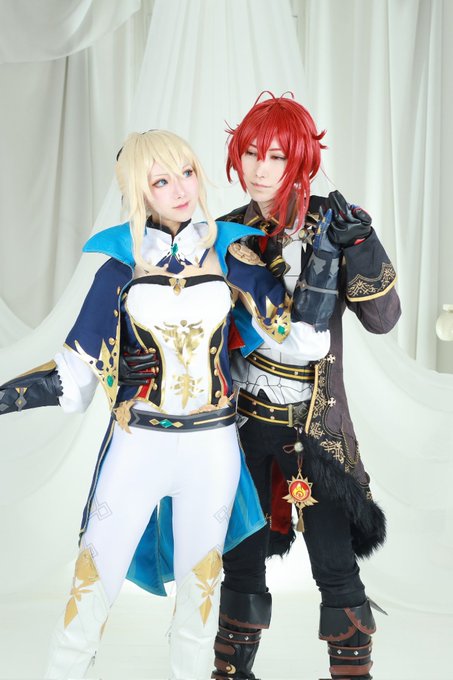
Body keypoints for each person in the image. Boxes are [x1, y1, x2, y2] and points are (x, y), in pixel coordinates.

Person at [0, 129, 340, 680]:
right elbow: (71, 380)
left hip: (212, 449)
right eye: (161, 181)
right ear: (139, 191)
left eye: (186, 172)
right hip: (138, 445)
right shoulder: (120, 267)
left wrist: (324, 256)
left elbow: (305, 340)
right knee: (89, 590)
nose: (181, 189)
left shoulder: (232, 255)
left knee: (200, 602)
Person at [209, 93, 402, 680]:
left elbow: (384, 319)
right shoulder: (225, 232)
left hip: (314, 429)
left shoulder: (333, 225)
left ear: (301, 160)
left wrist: (361, 244)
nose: (260, 168)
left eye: (276, 155)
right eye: (250, 152)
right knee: (241, 564)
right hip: (244, 424)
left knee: (335, 565)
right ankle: (230, 673)